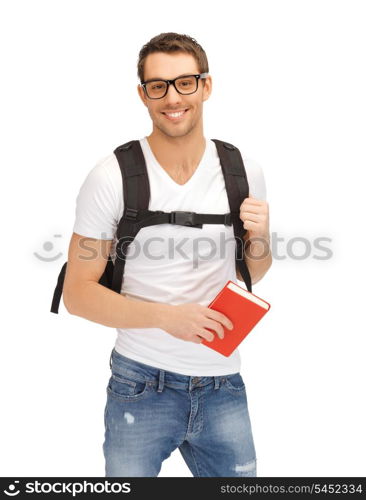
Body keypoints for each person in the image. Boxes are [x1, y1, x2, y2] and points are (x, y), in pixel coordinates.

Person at [63, 32, 272, 477]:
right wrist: (169, 318)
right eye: (158, 85)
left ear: (206, 87)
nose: (172, 97)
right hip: (140, 384)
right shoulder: (110, 176)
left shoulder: (243, 171)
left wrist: (260, 235)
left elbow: (256, 270)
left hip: (224, 383)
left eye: (185, 82)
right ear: (143, 94)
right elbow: (76, 295)